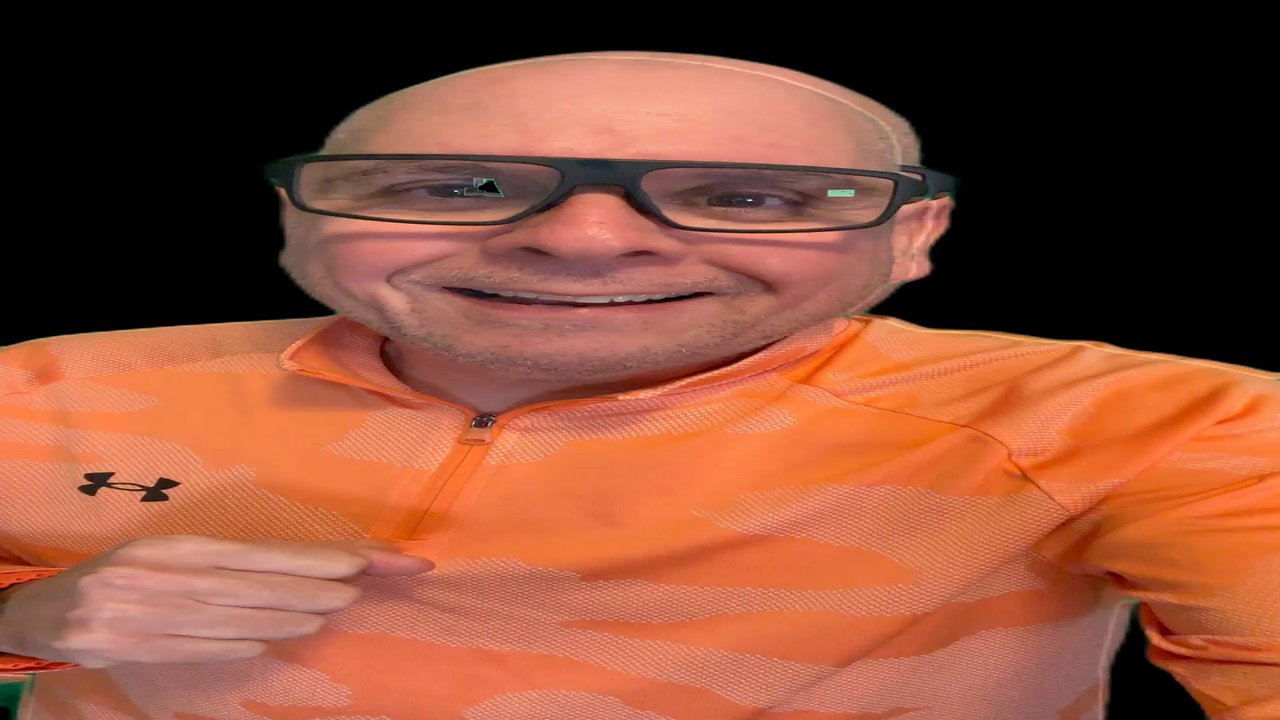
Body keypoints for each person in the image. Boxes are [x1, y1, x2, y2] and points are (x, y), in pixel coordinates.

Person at [0, 50, 1274, 720]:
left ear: (911, 238)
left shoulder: (1162, 427)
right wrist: (26, 619)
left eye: (748, 198)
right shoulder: (45, 385)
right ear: (301, 218)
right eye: (456, 186)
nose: (585, 244)